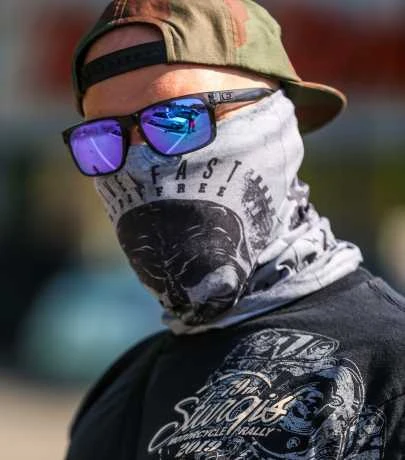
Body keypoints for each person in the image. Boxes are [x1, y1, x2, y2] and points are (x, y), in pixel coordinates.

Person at [63, 1, 405, 458]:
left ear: (277, 123)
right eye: (104, 137)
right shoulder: (121, 394)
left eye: (178, 120)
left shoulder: (390, 366)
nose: (140, 162)